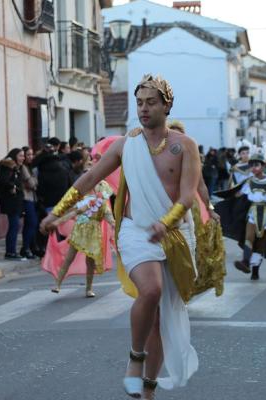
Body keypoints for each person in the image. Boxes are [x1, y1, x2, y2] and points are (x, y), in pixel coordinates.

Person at [41, 75, 202, 399]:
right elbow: (88, 179)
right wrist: (57, 211)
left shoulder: (185, 146)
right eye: (139, 102)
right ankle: (135, 357)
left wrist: (166, 223)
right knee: (152, 289)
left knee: (160, 319)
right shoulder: (126, 145)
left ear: (167, 105)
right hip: (135, 230)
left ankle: (149, 389)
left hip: (174, 234)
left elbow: (187, 197)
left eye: (151, 102)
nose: (143, 109)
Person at [215, 153, 266, 280]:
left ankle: (255, 270)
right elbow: (238, 194)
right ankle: (245, 262)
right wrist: (228, 196)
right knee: (249, 238)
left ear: (262, 166)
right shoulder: (249, 182)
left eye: (256, 165)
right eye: (251, 166)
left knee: (260, 244)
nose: (253, 168)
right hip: (252, 213)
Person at [45, 180, 115, 298]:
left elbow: (110, 219)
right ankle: (57, 284)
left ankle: (89, 288)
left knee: (90, 262)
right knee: (69, 258)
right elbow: (71, 214)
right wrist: (57, 222)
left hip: (93, 233)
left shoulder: (103, 205)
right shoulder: (85, 201)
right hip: (80, 231)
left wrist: (116, 225)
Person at [0, 148, 26, 260]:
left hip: (16, 200)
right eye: (20, 156)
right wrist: (12, 186)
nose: (22, 158)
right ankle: (10, 252)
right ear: (14, 156)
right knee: (14, 225)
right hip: (11, 201)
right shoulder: (7, 166)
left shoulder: (15, 167)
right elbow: (4, 181)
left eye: (23, 156)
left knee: (16, 225)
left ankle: (12, 251)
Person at [21, 146, 38, 259]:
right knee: (32, 222)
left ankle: (28, 247)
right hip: (26, 198)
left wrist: (33, 181)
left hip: (32, 197)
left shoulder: (30, 167)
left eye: (32, 154)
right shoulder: (23, 168)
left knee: (30, 224)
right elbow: (32, 183)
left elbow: (35, 182)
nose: (31, 157)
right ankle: (26, 248)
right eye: (28, 155)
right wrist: (33, 181)